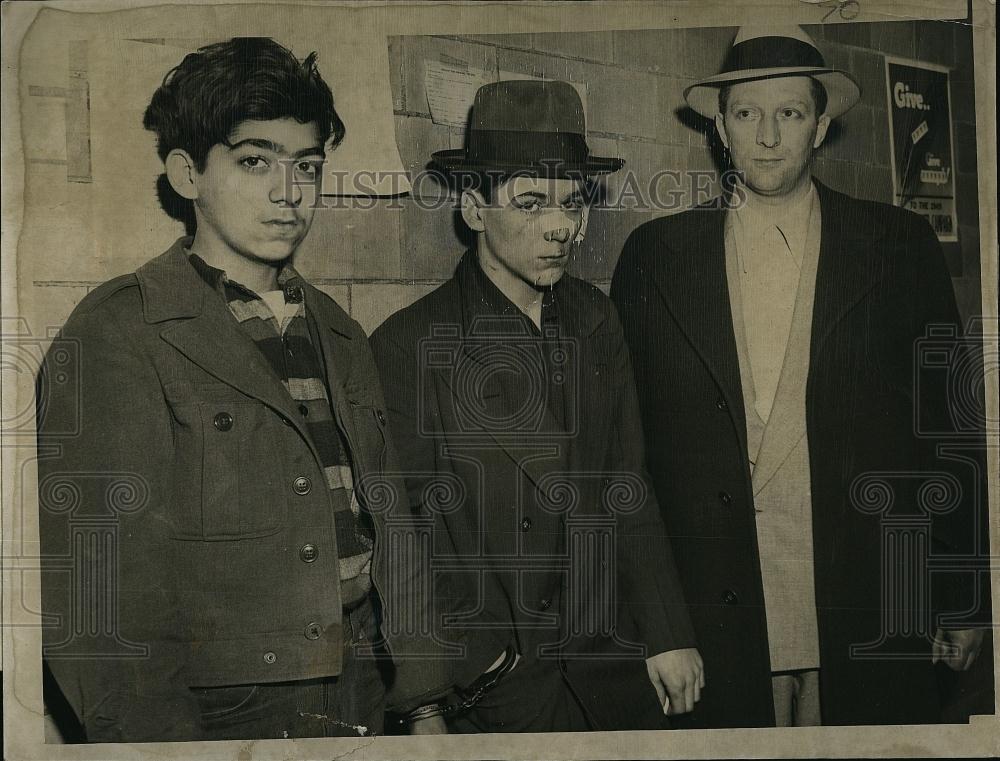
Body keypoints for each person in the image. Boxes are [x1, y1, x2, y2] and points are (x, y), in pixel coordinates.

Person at [610, 26, 988, 728]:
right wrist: (656, 621)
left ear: (821, 126)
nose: (768, 135)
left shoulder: (899, 247)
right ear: (719, 127)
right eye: (747, 113)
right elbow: (626, 458)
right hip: (715, 611)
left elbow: (950, 432)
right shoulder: (655, 258)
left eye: (790, 113)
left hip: (866, 596)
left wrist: (965, 594)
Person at [36, 37, 403, 742]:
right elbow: (101, 598)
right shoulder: (122, 329)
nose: (288, 193)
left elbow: (392, 520)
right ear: (186, 173)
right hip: (226, 705)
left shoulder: (339, 329)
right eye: (254, 161)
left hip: (362, 678)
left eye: (307, 167)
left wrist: (422, 698)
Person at [370, 80, 703, 734]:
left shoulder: (595, 318)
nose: (561, 227)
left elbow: (626, 483)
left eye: (573, 201)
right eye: (530, 201)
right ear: (473, 208)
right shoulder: (409, 344)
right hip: (499, 692)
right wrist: (461, 678)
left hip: (612, 668)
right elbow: (401, 539)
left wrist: (667, 631)